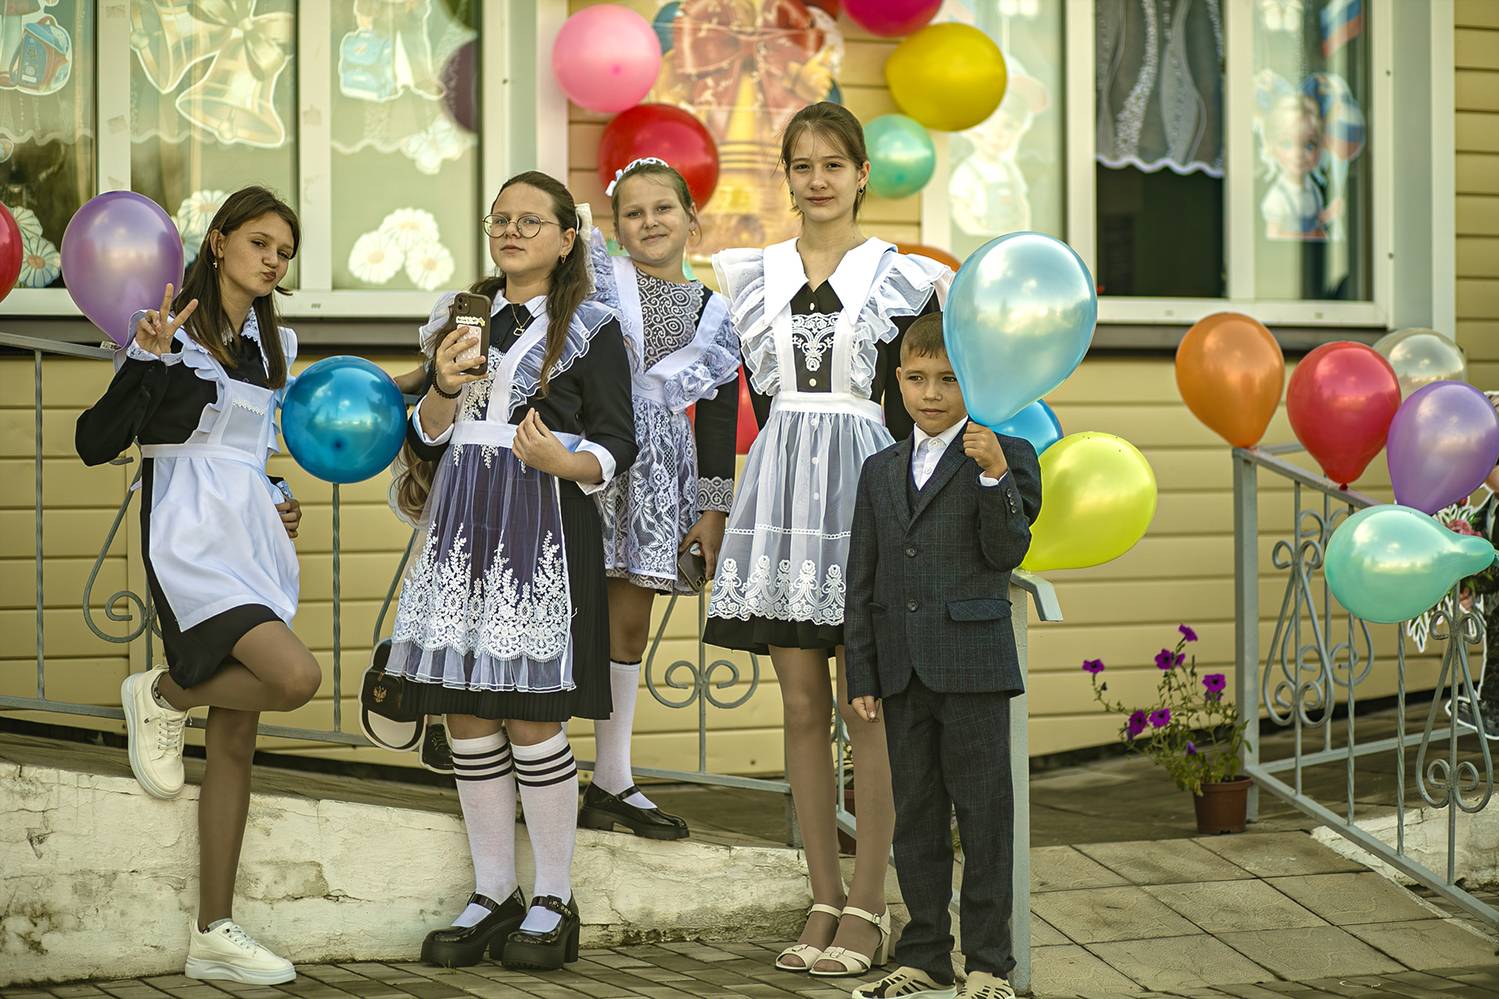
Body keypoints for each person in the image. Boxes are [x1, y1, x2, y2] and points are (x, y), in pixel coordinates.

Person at [703, 101, 953, 977]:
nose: (817, 180)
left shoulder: (905, 278)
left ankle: (870, 901)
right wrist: (710, 504)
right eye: (801, 165)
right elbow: (719, 400)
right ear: (787, 175)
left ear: (860, 175)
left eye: (832, 165)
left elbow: (925, 406)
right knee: (802, 705)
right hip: (779, 503)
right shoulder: (751, 275)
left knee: (865, 706)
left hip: (868, 497)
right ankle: (821, 894)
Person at [384, 171, 636, 971]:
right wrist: (440, 386)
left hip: (545, 524)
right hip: (464, 521)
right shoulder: (459, 318)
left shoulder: (592, 327)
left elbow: (618, 440)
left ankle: (554, 896)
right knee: (465, 711)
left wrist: (567, 460)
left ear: (566, 239)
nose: (512, 231)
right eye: (501, 219)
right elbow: (426, 436)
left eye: (531, 221)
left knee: (531, 714)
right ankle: (494, 890)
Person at [74, 186, 319, 985]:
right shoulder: (165, 331)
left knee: (237, 738)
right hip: (188, 538)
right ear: (218, 242)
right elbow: (95, 441)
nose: (272, 260)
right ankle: (164, 692)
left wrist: (278, 495)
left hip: (251, 538)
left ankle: (214, 930)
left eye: (284, 252)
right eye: (259, 243)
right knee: (295, 677)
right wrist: (146, 358)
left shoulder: (271, 346)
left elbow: (250, 452)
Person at [845, 315, 1042, 999]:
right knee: (918, 817)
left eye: (948, 380)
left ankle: (988, 965)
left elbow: (1006, 551)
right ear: (898, 381)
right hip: (901, 669)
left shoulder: (1007, 455)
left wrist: (993, 477)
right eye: (918, 378)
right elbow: (862, 577)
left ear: (971, 383)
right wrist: (862, 669)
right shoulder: (879, 469)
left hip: (973, 664)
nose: (931, 393)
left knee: (984, 818)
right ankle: (925, 953)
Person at [582, 156, 741, 840]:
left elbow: (718, 417)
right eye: (633, 213)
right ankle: (526, 760)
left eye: (663, 208)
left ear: (691, 221)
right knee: (555, 609)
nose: (649, 222)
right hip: (583, 456)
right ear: (617, 228)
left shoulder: (716, 313)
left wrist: (712, 509)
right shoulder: (596, 279)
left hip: (654, 479)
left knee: (626, 624)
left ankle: (611, 777)